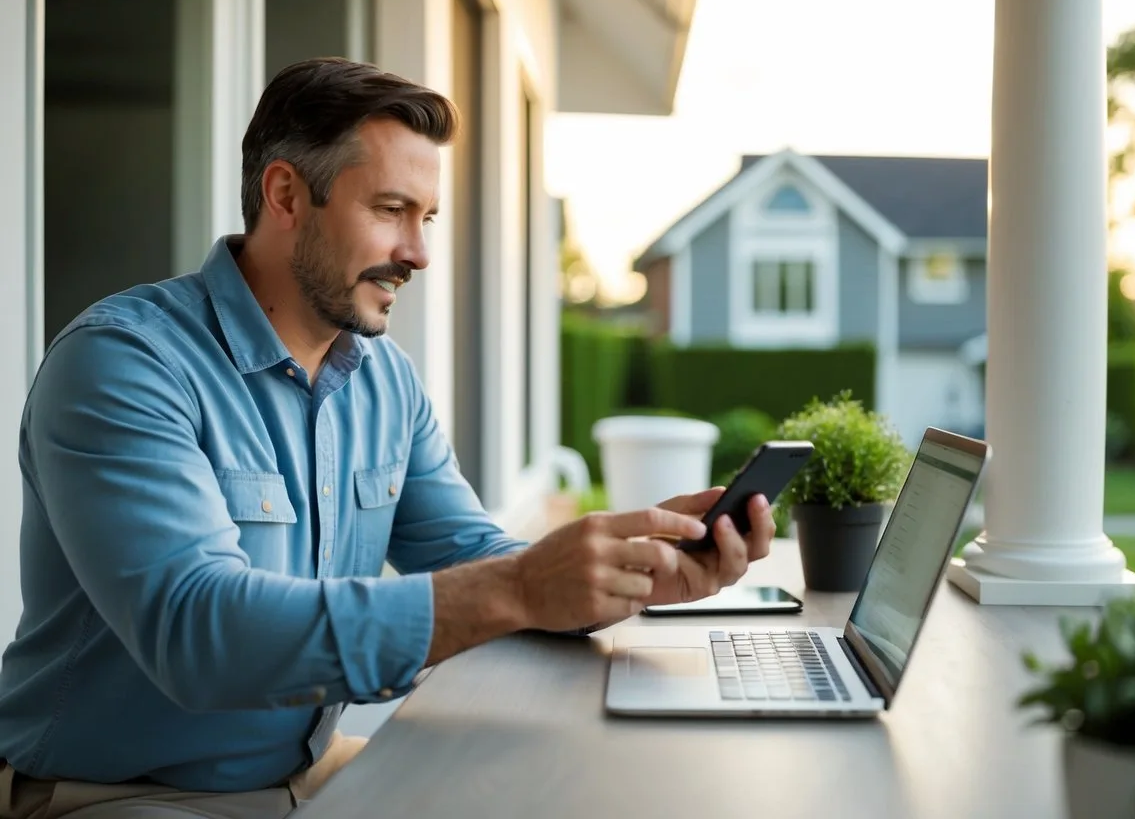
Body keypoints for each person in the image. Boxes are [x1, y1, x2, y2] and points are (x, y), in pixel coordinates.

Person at [0, 57, 776, 819]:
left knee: (580, 792)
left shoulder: (383, 380)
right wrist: (519, 587)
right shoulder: (123, 364)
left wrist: (634, 570)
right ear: (286, 195)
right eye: (390, 210)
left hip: (309, 778)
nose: (419, 253)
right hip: (120, 795)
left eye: (426, 218)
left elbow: (471, 555)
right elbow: (200, 636)